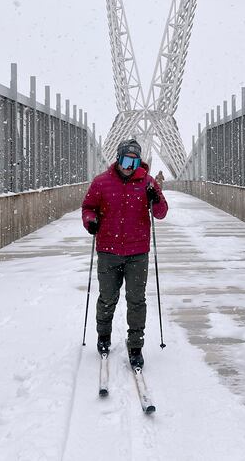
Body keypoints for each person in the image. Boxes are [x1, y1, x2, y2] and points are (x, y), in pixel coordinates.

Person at [81, 139, 168, 368]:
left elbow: (161, 213)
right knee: (107, 298)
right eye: (126, 159)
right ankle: (103, 336)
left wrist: (156, 198)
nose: (130, 165)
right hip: (108, 250)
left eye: (135, 160)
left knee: (136, 300)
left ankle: (136, 346)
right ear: (118, 158)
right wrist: (91, 221)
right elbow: (88, 207)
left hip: (137, 252)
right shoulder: (102, 182)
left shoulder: (147, 183)